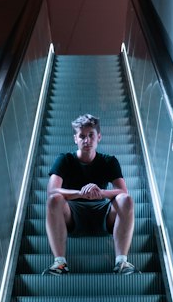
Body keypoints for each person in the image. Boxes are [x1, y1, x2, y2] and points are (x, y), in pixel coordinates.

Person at [45, 113, 135, 274]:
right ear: (75, 139)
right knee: (54, 199)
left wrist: (100, 193)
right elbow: (52, 190)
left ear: (98, 137)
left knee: (125, 199)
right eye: (82, 136)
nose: (86, 140)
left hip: (103, 214)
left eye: (91, 135)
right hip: (71, 216)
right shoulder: (64, 159)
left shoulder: (109, 161)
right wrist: (81, 193)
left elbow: (122, 190)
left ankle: (122, 263)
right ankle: (60, 263)